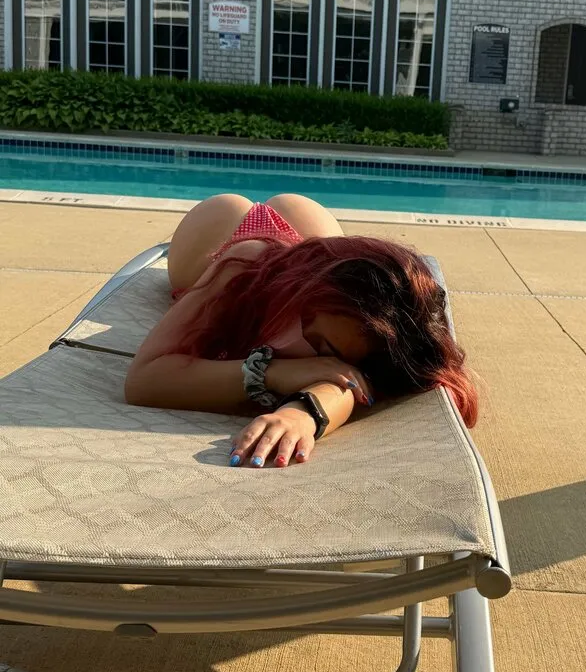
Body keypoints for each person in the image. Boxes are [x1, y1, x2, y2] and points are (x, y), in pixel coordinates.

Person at [125, 193, 479, 469]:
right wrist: (273, 373)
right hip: (223, 231)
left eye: (321, 346)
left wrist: (302, 413)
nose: (300, 327)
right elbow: (144, 380)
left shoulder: (368, 340)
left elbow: (352, 386)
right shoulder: (240, 266)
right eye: (308, 310)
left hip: (304, 249)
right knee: (230, 217)